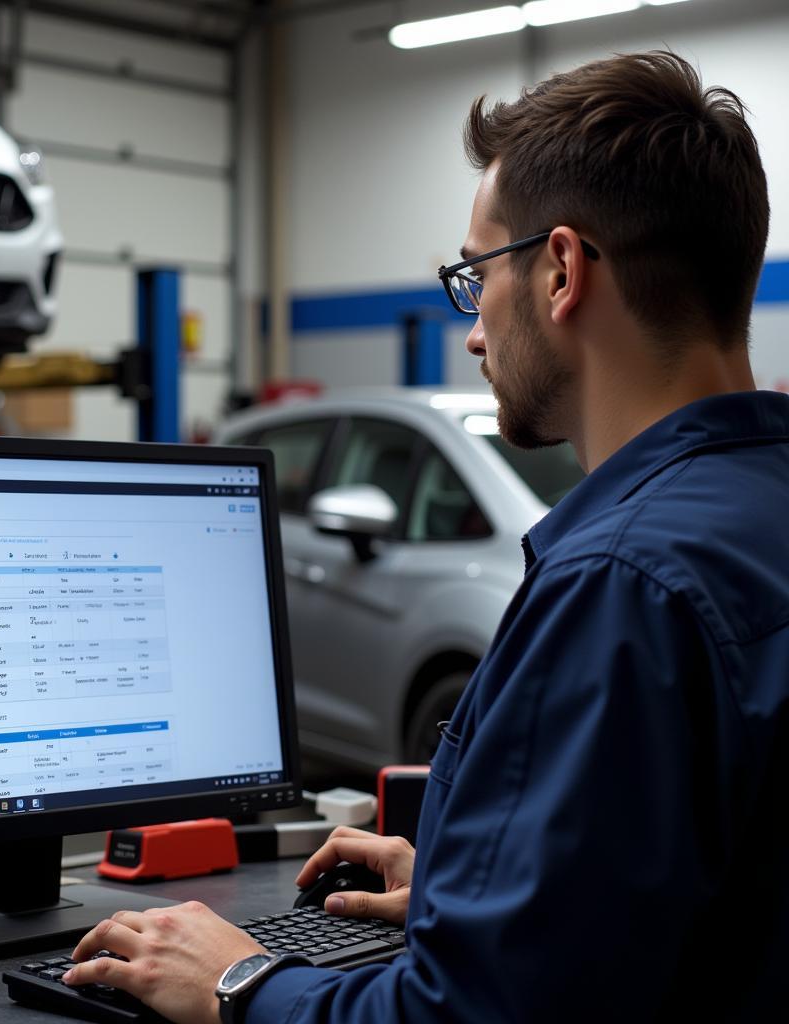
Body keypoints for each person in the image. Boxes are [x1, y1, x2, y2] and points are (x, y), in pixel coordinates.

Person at [61, 50, 789, 1022]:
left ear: (561, 270)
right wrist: (473, 882)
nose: (475, 329)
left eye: (475, 275)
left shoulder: (624, 583)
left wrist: (241, 982)